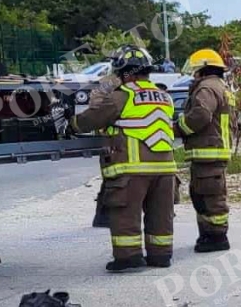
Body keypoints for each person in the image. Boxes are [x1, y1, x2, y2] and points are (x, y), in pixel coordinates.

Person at [70, 45, 175, 271]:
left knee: (125, 213)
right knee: (160, 215)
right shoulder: (165, 96)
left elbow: (92, 119)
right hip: (166, 170)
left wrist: (72, 123)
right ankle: (161, 255)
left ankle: (128, 257)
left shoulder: (122, 95)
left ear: (124, 71)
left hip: (133, 169)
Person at [177, 49, 236, 253]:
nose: (193, 75)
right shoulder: (221, 87)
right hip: (215, 151)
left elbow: (201, 115)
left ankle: (216, 237)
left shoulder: (206, 88)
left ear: (202, 69)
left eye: (195, 71)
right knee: (204, 194)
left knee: (210, 198)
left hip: (208, 152)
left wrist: (178, 128)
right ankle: (209, 235)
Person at [89, 70, 124, 228]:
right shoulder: (110, 82)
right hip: (110, 138)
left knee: (117, 176)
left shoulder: (128, 81)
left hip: (121, 138)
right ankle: (103, 215)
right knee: (112, 176)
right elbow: (96, 107)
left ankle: (104, 215)